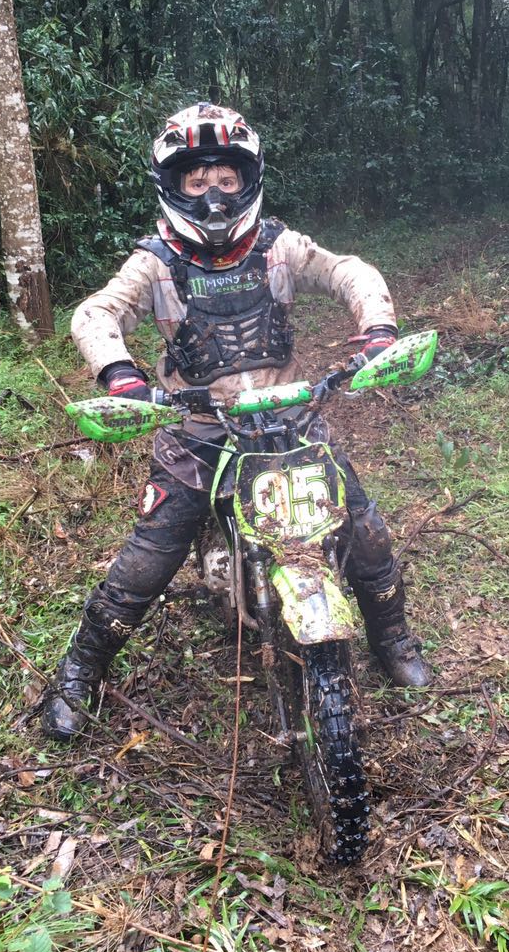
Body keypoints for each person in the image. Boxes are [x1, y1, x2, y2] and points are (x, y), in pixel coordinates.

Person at [42, 103, 432, 739]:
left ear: (249, 180)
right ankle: (79, 672)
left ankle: (393, 639)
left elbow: (347, 270)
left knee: (365, 531)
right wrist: (120, 374)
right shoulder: (155, 262)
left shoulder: (279, 247)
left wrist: (378, 329)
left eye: (226, 178)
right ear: (172, 186)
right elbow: (96, 313)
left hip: (290, 416)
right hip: (198, 427)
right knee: (151, 555)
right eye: (197, 181)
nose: (214, 195)